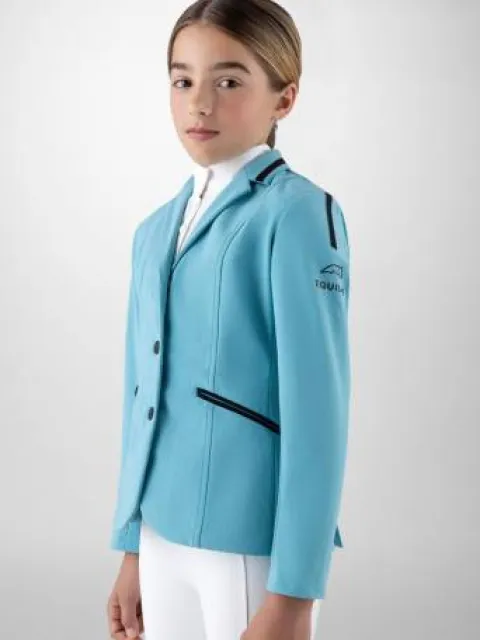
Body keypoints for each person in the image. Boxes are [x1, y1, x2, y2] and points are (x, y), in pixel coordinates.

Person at [106, 1, 351, 639]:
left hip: (248, 543)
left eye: (229, 80)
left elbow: (319, 416)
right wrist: (132, 544)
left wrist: (294, 592)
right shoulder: (153, 231)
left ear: (284, 98)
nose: (200, 103)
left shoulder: (298, 215)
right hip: (160, 537)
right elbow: (141, 398)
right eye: (183, 80)